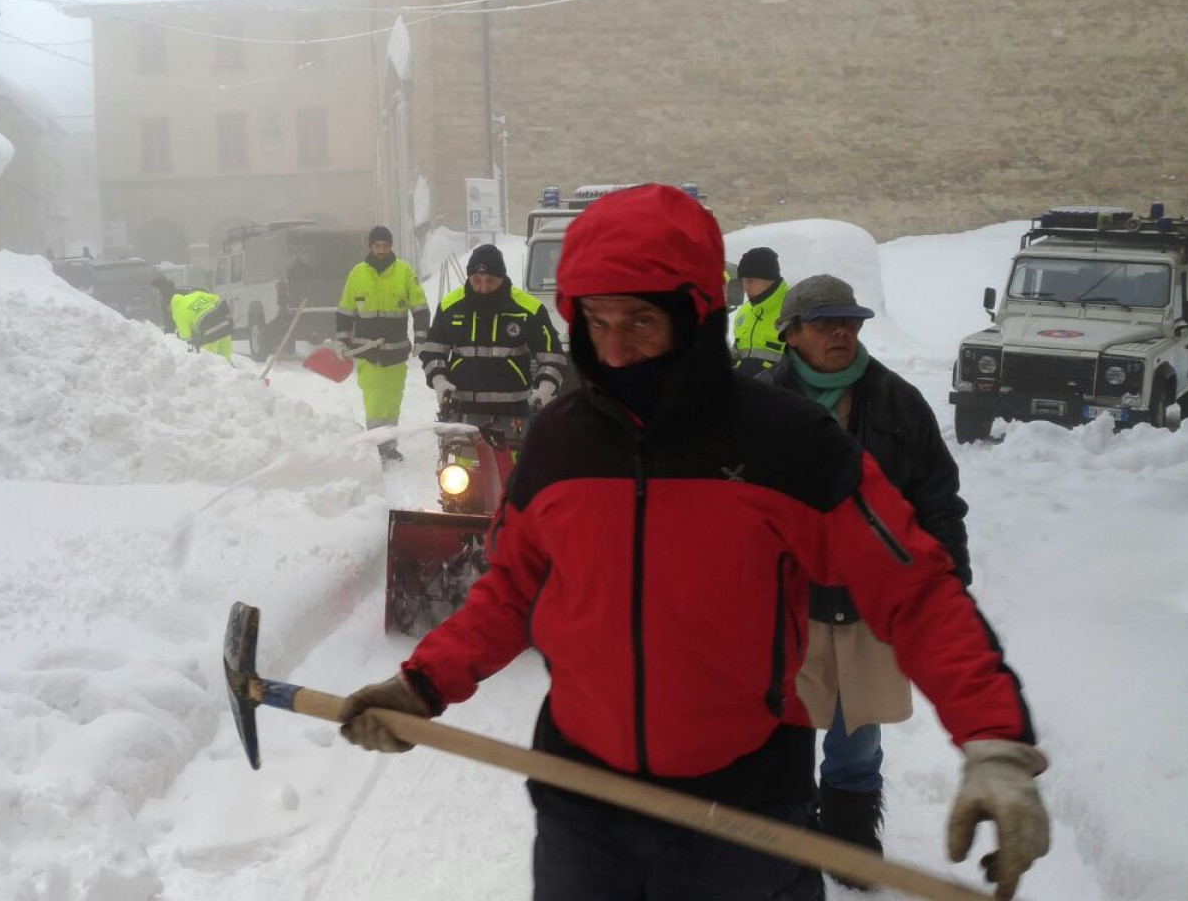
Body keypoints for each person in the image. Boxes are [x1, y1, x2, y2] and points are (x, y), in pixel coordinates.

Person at [335, 185, 1047, 901]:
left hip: (746, 814)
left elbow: (916, 590)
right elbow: (514, 588)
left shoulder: (787, 443)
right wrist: (424, 682)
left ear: (697, 315)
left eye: (641, 320)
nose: (612, 348)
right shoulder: (560, 442)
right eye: (595, 318)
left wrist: (994, 742)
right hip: (582, 809)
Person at [763, 274, 973, 887]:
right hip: (787, 608)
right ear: (791, 333)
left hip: (867, 605)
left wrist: (950, 579)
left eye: (850, 322)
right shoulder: (757, 407)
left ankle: (851, 839)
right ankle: (795, 838)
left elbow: (938, 498)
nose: (842, 333)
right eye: (826, 323)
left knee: (857, 737)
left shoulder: (898, 402)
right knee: (789, 730)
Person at [419, 243, 568, 422]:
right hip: (462, 412)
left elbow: (553, 357)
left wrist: (546, 388)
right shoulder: (450, 307)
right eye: (476, 280)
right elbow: (432, 352)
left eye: (490, 281)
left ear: (502, 278)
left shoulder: (529, 310)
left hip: (514, 413)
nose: (482, 288)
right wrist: (439, 380)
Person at [337, 226, 430, 462]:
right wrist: (342, 340)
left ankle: (388, 445)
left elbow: (420, 308)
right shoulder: (357, 274)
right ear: (370, 247)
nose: (381, 250)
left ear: (391, 247)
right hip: (367, 353)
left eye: (385, 246)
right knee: (375, 400)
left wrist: (421, 337)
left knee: (392, 401)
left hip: (396, 352)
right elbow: (345, 311)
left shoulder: (404, 272)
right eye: (377, 246)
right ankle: (379, 446)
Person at [732, 245, 788, 378]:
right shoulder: (744, 311)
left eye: (751, 281)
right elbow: (738, 353)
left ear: (770, 278)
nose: (746, 287)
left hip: (780, 393)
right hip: (743, 391)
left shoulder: (792, 309)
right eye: (743, 281)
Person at [151, 275, 234, 360]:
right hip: (225, 328)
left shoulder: (178, 313)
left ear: (169, 306)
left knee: (208, 363)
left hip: (210, 333)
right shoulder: (196, 295)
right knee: (227, 363)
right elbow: (221, 302)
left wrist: (189, 357)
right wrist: (229, 319)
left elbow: (187, 339)